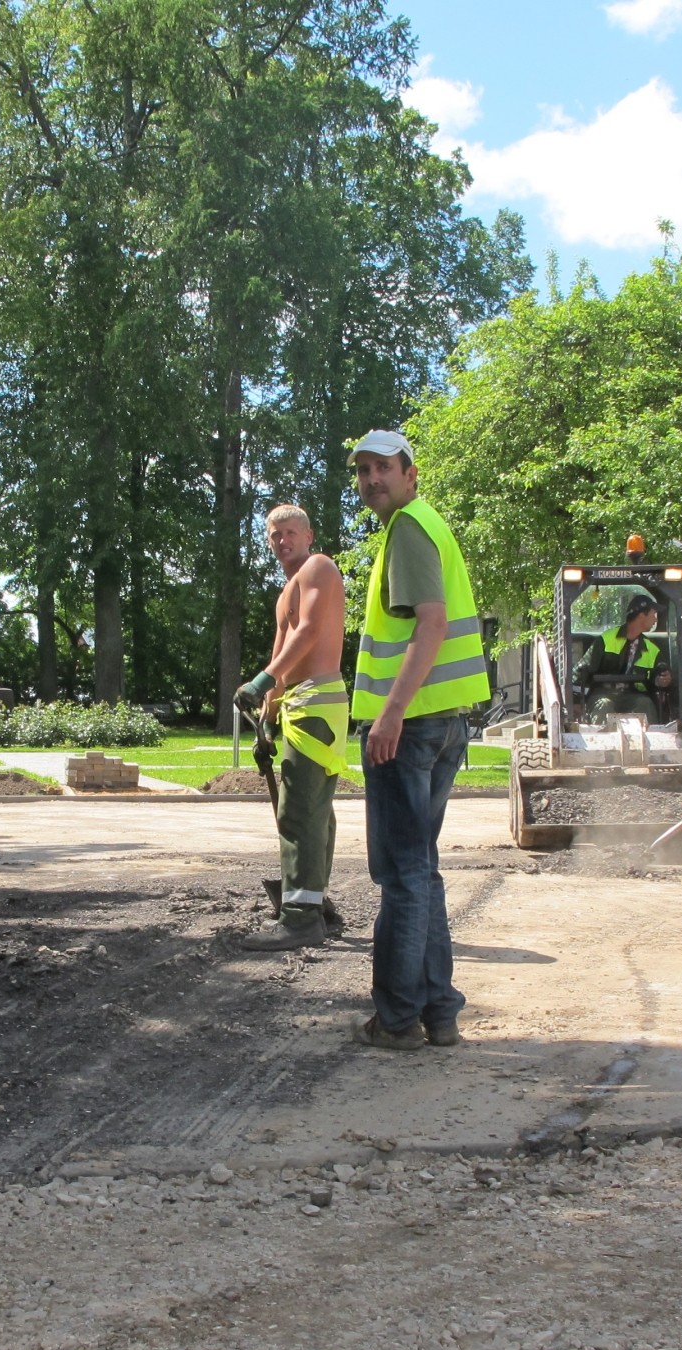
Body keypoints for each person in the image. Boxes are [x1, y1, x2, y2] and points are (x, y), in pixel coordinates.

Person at [347, 429, 492, 1050]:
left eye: (383, 468)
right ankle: (440, 1011)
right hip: (440, 722)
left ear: (410, 474)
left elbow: (429, 627)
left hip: (408, 728)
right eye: (363, 471)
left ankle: (399, 1018)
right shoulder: (425, 525)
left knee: (404, 874)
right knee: (420, 870)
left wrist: (390, 713)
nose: (372, 479)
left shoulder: (409, 528)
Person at [233, 505, 349, 951]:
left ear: (308, 535)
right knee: (314, 808)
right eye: (274, 535)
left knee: (299, 811)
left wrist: (263, 680)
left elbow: (309, 633)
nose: (282, 541)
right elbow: (284, 650)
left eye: (290, 533)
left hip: (319, 699)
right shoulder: (286, 591)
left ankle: (300, 918)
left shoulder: (319, 568)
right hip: (301, 704)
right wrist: (268, 713)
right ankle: (315, 904)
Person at [573, 593, 671, 720]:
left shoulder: (652, 649)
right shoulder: (606, 640)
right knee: (604, 705)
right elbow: (581, 671)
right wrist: (575, 700)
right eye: (653, 614)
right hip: (602, 693)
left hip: (633, 695)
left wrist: (663, 680)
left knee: (645, 703)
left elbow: (659, 676)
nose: (656, 620)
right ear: (642, 616)